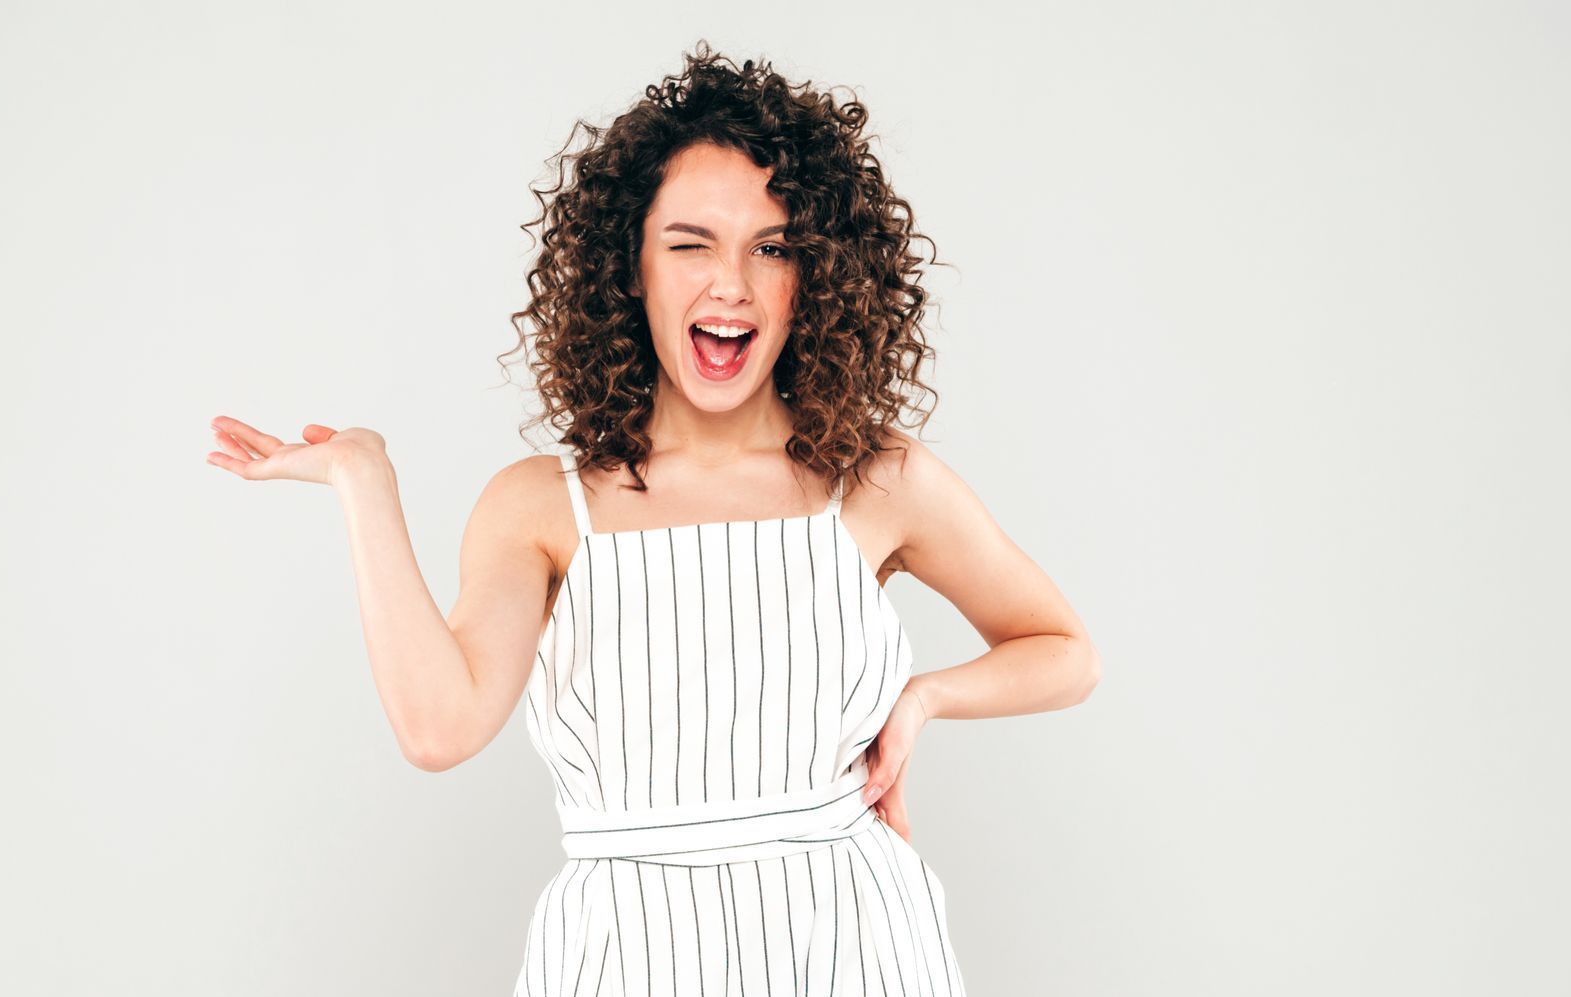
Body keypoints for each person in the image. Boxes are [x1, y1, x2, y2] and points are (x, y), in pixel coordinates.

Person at [205, 41, 1099, 997]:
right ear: (629, 270)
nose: (732, 285)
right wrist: (363, 480)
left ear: (818, 276)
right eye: (691, 244)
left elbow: (1064, 649)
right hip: (625, 956)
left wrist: (921, 698)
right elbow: (439, 726)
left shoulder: (877, 479)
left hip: (855, 946)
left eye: (773, 247)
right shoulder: (541, 506)